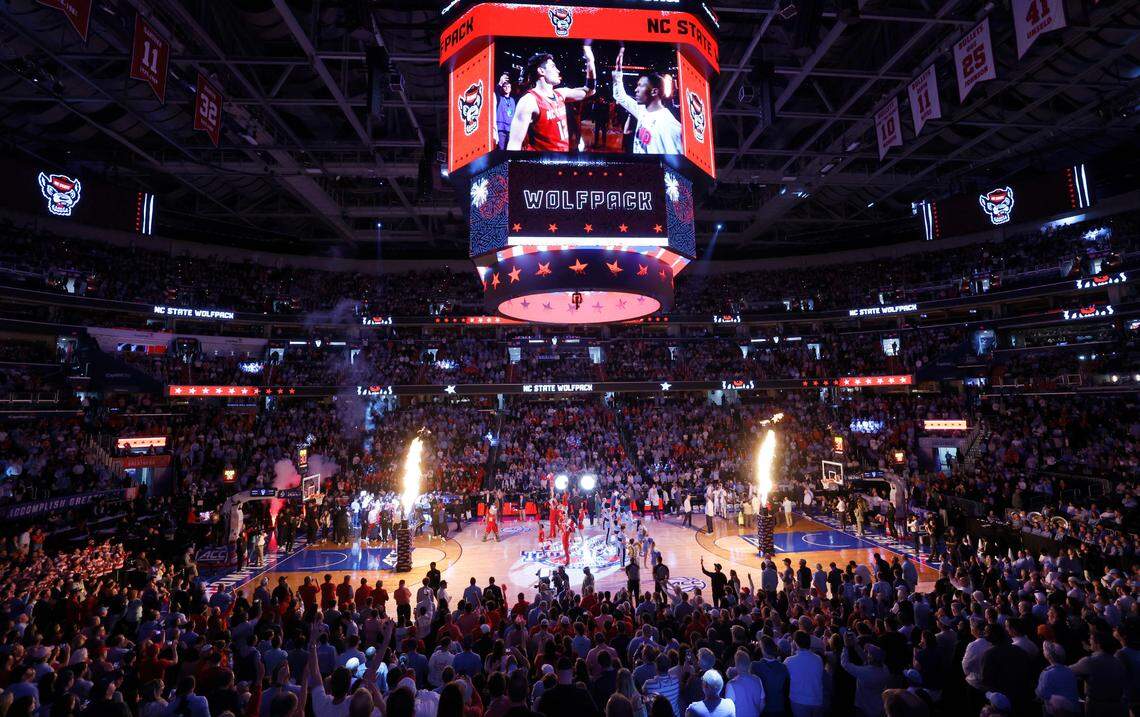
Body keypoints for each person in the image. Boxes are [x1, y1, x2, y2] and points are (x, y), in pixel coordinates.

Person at [507, 46, 596, 152]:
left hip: (561, 160)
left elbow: (590, 90)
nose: (558, 71)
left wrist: (591, 62)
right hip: (542, 164)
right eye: (553, 67)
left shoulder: (560, 94)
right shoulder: (529, 101)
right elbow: (514, 144)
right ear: (541, 71)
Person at [610, 48, 682, 156]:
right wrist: (618, 70)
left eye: (640, 86)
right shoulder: (643, 110)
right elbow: (620, 96)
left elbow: (676, 164)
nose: (635, 90)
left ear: (654, 92)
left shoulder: (669, 126)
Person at [784, 632, 823, 717]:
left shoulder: (789, 661)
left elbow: (785, 677)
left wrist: (792, 651)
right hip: (817, 698)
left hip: (799, 700)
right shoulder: (818, 659)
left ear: (795, 643)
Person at [725, 649, 765, 717]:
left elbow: (728, 710)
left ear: (736, 665)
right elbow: (762, 703)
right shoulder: (758, 680)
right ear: (749, 664)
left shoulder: (731, 685)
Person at [495, 72, 516, 150]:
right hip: (501, 129)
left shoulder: (513, 100)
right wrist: (501, 82)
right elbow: (496, 91)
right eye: (505, 86)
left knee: (510, 149)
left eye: (508, 86)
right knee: (501, 149)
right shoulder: (499, 98)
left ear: (511, 88)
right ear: (502, 88)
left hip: (511, 129)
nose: (507, 88)